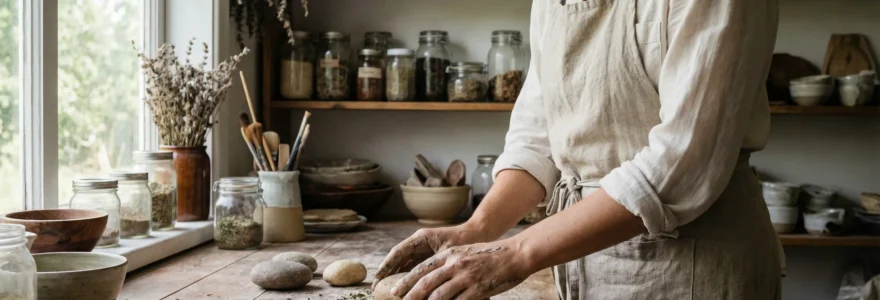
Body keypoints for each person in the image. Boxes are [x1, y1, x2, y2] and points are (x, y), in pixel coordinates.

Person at [374, 0, 782, 299]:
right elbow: (538, 134)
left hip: (692, 266)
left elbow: (680, 166)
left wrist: (516, 253)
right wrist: (475, 231)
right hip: (578, 261)